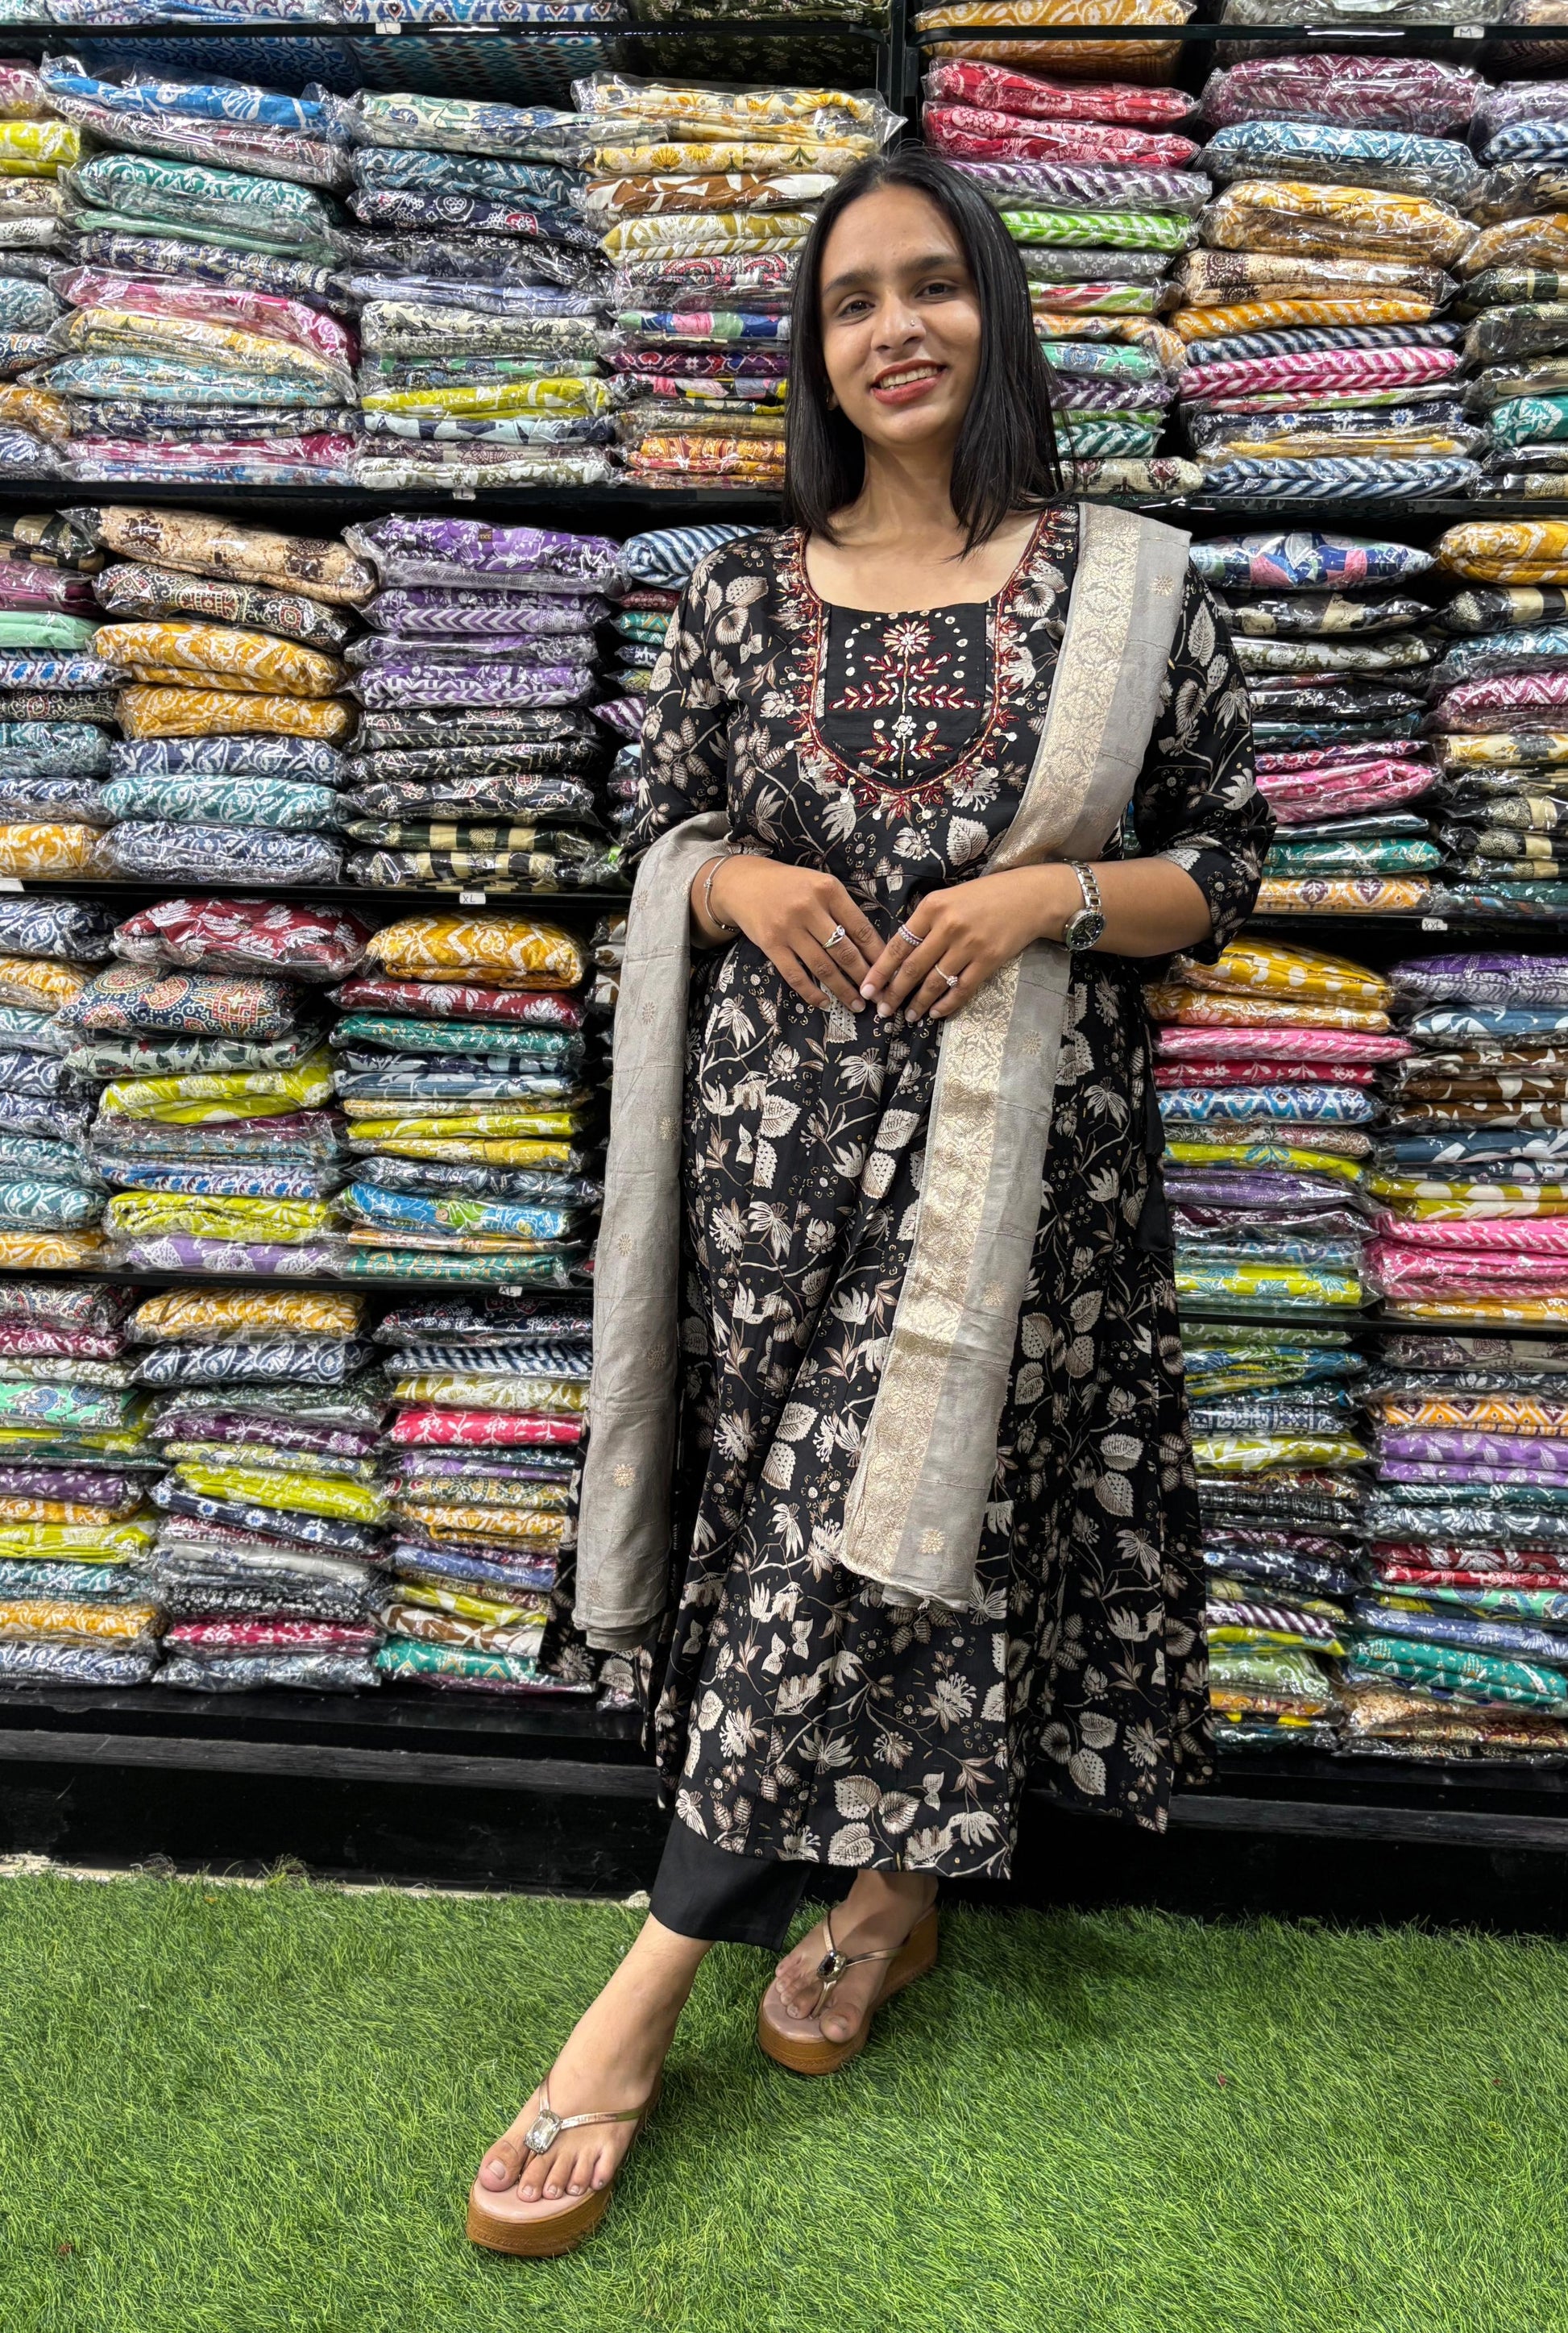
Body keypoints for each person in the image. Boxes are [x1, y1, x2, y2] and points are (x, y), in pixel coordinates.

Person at [467, 143, 1271, 2260]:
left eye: (932, 284)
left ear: (997, 310)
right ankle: (891, 1898)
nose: (895, 327)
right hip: (768, 1169)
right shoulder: (740, 597)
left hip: (1021, 1175)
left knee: (884, 1520)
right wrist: (733, 878)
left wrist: (1048, 896)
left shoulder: (1128, 583)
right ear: (815, 355)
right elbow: (654, 836)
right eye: (850, 301)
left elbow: (1228, 858)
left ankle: (637, 2004)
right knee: (827, 1546)